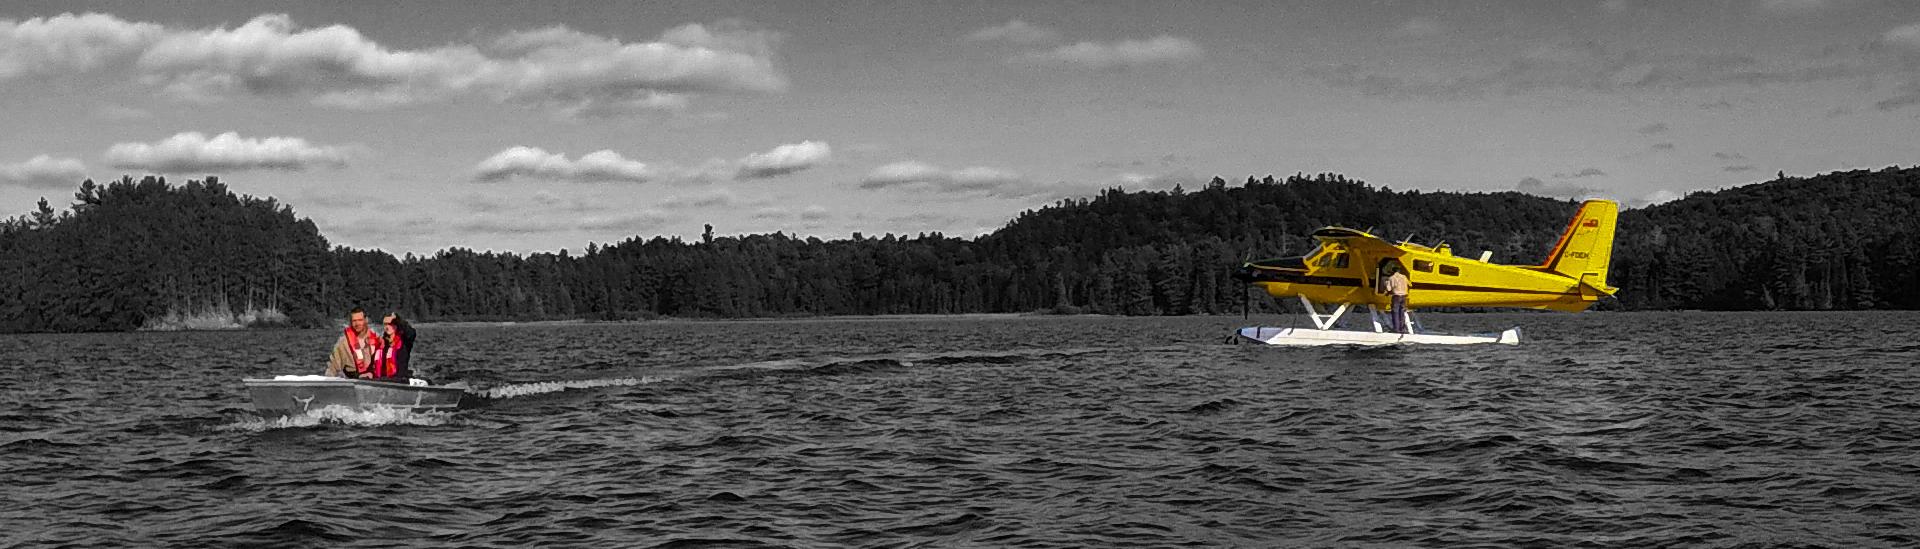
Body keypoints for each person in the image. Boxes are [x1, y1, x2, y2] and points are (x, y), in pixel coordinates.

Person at [326, 307, 383, 378]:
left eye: (360, 320)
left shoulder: (378, 339)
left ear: (366, 320)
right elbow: (332, 368)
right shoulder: (343, 343)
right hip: (355, 380)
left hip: (376, 381)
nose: (357, 323)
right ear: (350, 322)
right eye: (354, 321)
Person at [378, 313, 416, 382]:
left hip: (400, 379)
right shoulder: (383, 343)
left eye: (390, 324)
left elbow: (412, 333)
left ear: (396, 325)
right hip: (385, 379)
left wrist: (398, 319)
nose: (387, 327)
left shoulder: (405, 341)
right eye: (385, 324)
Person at [1384, 262, 1412, 334]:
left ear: (1393, 272)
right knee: (1402, 312)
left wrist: (1386, 284)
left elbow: (1389, 289)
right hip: (1404, 296)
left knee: (1395, 312)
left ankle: (1396, 329)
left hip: (1396, 296)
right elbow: (1410, 284)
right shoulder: (1404, 277)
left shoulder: (1391, 278)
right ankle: (1402, 329)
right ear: (1399, 271)